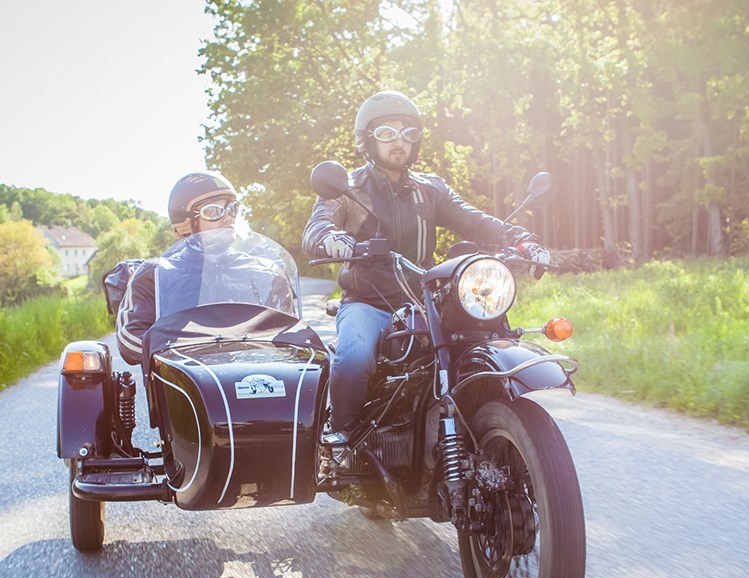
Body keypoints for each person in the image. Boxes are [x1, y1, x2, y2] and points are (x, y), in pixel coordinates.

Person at [301, 90, 551, 442]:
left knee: (483, 339)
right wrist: (334, 239)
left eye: (408, 133)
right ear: (367, 140)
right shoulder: (348, 187)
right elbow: (317, 228)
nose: (399, 142)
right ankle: (343, 439)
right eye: (387, 133)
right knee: (355, 356)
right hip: (368, 303)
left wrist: (521, 238)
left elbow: (476, 221)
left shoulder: (431, 189)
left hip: (425, 305)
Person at [116, 172, 293, 365]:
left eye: (232, 209)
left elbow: (291, 336)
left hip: (255, 377)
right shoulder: (156, 273)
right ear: (187, 222)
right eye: (214, 211)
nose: (228, 218)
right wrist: (187, 347)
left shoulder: (263, 271)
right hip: (186, 381)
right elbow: (130, 340)